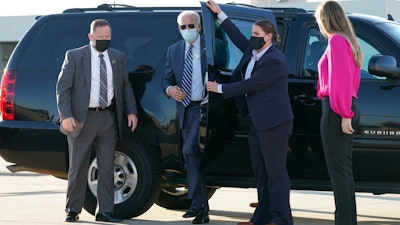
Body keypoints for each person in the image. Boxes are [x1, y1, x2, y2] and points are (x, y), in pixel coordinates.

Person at [206, 1, 294, 225]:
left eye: (256, 34)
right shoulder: (254, 51)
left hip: (275, 123)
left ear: (268, 37)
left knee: (276, 173)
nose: (252, 37)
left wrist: (220, 88)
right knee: (261, 172)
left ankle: (282, 219)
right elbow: (236, 36)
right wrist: (220, 15)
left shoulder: (275, 60)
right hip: (258, 121)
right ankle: (261, 218)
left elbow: (252, 84)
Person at [56, 19, 138, 223]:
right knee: (78, 166)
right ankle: (73, 209)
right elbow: (62, 88)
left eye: (107, 38)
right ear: (90, 37)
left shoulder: (117, 57)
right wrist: (66, 115)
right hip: (82, 119)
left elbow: (125, 86)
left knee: (107, 165)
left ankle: (105, 212)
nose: (104, 41)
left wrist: (131, 112)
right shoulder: (75, 56)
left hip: (108, 118)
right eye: (100, 38)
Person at [314, 1, 363, 225]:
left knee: (338, 173)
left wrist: (344, 113)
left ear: (325, 19)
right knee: (344, 172)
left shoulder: (336, 41)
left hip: (337, 110)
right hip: (345, 107)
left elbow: (340, 81)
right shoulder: (348, 41)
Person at [161, 11, 209, 224]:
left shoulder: (211, 47)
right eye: (183, 27)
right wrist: (170, 89)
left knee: (190, 150)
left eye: (191, 26)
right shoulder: (174, 50)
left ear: (199, 27)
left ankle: (196, 202)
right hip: (186, 109)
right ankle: (202, 210)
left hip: (205, 108)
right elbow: (166, 79)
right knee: (193, 158)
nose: (187, 30)